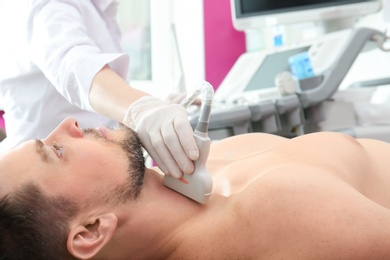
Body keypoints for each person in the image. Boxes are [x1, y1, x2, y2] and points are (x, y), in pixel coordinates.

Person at [1, 117, 390, 259]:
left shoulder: (190, 179)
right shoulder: (274, 215)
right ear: (91, 231)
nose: (69, 124)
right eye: (55, 150)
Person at [0, 0, 198, 178]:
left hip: (85, 168)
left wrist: (155, 104)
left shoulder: (97, 9)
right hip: (47, 183)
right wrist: (140, 107)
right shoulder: (46, 6)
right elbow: (74, 63)